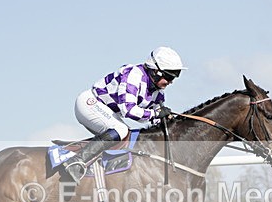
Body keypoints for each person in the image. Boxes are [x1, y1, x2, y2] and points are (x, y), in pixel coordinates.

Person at [60, 46, 186, 183]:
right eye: (169, 77)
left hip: (106, 111)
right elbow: (129, 110)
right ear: (156, 71)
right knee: (121, 130)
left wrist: (167, 119)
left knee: (130, 136)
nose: (171, 82)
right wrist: (155, 113)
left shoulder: (158, 91)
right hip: (89, 104)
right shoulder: (134, 75)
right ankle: (76, 162)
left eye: (174, 77)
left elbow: (153, 119)